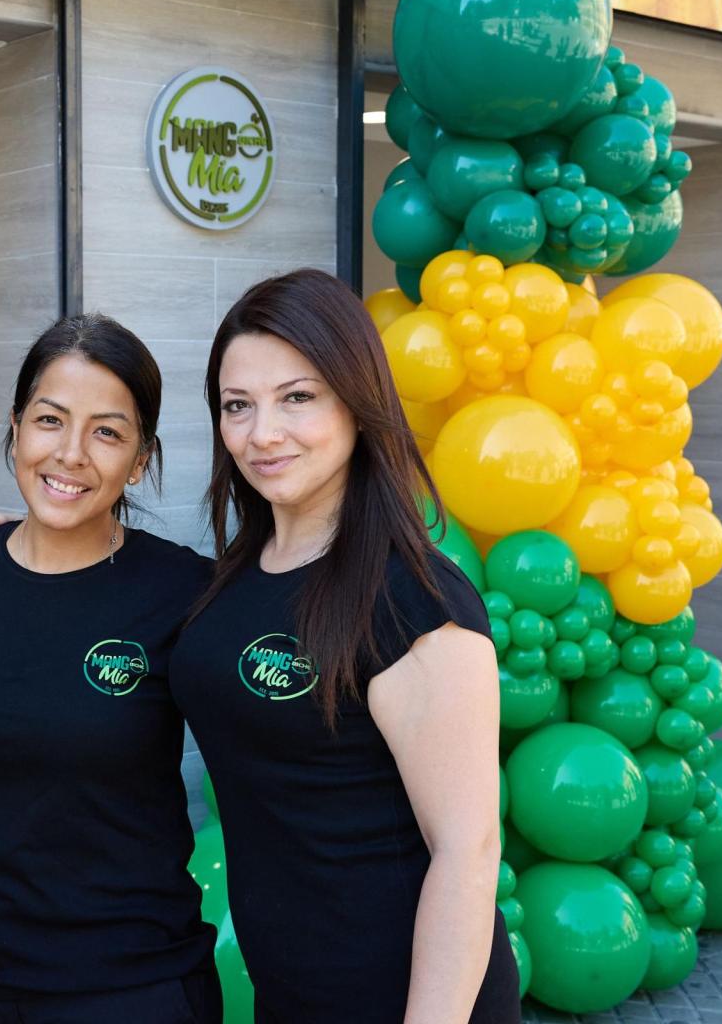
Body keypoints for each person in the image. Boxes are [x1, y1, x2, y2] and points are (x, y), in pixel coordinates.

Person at [169, 269, 519, 1022]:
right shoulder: (234, 579)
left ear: (359, 402)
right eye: (238, 406)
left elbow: (467, 852)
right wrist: (26, 536)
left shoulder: (415, 600)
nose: (262, 434)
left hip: (401, 998)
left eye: (298, 398)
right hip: (290, 991)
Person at [0, 314, 220, 1023]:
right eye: (50, 420)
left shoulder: (186, 593)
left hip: (130, 983)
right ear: (16, 427)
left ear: (140, 459)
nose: (72, 453)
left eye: (108, 432)